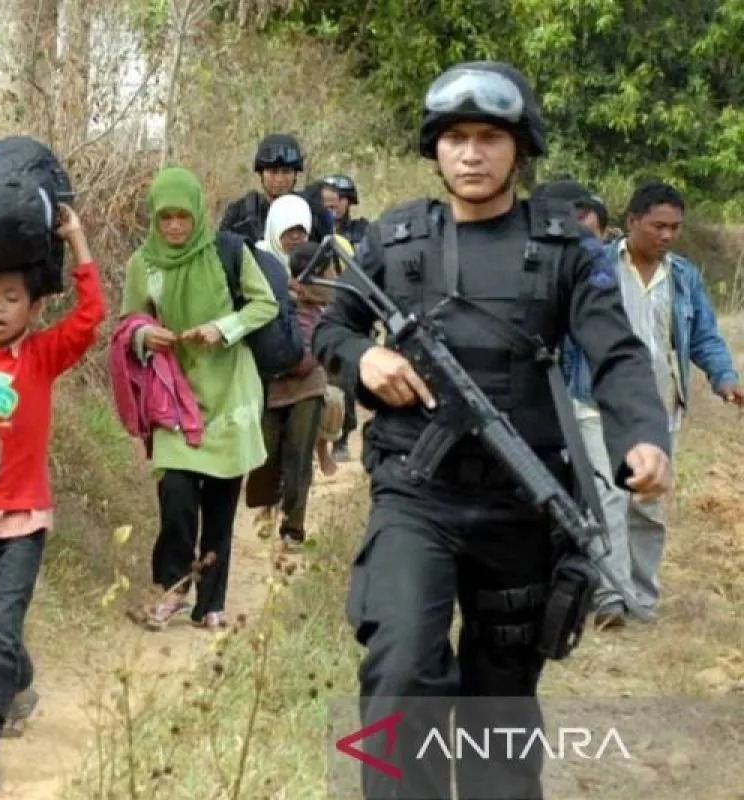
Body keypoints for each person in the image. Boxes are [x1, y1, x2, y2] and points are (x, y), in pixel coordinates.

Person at [312, 61, 673, 800]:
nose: (471, 154)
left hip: (522, 506)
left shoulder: (568, 251)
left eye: (488, 138)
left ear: (519, 148)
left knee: (498, 710)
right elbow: (330, 326)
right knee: (403, 668)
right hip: (417, 493)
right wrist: (365, 357)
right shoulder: (396, 240)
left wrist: (644, 436)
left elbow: (619, 355)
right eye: (455, 138)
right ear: (435, 148)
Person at [0, 205, 106, 793]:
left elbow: (91, 316)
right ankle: (20, 680)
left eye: (12, 298)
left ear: (34, 309)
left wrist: (78, 242)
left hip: (24, 516)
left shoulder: (42, 354)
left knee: (1, 630)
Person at [562, 180, 744, 628]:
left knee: (646, 504)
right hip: (595, 402)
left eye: (674, 228)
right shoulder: (595, 266)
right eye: (658, 226)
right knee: (607, 497)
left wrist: (725, 377)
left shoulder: (683, 276)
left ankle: (640, 600)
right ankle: (610, 598)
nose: (666, 236)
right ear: (632, 222)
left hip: (660, 410)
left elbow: (703, 336)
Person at [123, 166, 278, 631]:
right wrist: (146, 336)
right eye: (165, 217)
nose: (174, 226)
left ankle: (210, 605)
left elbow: (264, 304)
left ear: (196, 214)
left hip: (229, 392)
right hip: (174, 397)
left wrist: (222, 328)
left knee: (220, 507)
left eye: (182, 217)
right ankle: (171, 591)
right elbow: (130, 322)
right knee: (175, 497)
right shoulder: (142, 265)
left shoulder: (227, 252)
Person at [244, 197, 329, 550]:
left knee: (298, 454)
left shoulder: (323, 273)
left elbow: (336, 305)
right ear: (276, 229)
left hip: (309, 383)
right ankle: (267, 505)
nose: (295, 237)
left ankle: (293, 528)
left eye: (301, 231)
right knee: (265, 453)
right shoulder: (259, 267)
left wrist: (306, 290)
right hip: (269, 381)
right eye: (289, 230)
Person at [219, 134, 332, 242]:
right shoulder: (239, 213)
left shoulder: (313, 213)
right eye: (273, 172)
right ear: (261, 174)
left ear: (295, 175)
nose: (279, 179)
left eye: (286, 172)